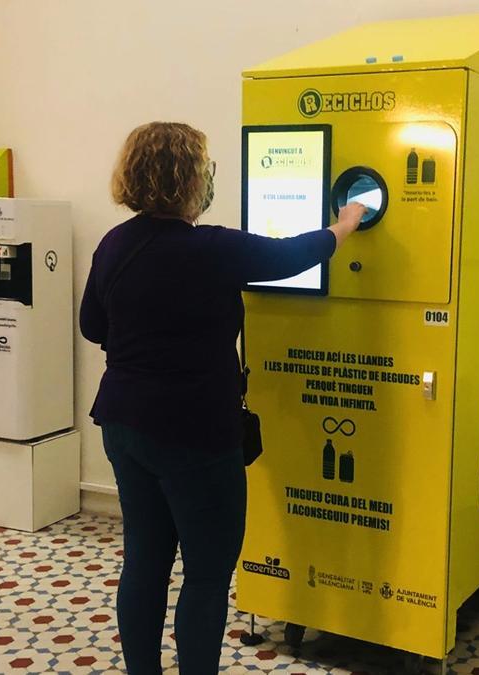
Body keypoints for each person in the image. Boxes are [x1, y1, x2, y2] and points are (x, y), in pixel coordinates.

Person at [79, 121, 365, 674]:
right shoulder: (212, 248)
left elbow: (94, 326)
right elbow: (291, 256)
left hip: (124, 424)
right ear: (191, 177)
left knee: (144, 558)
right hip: (196, 435)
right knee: (207, 575)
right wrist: (347, 223)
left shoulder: (115, 243)